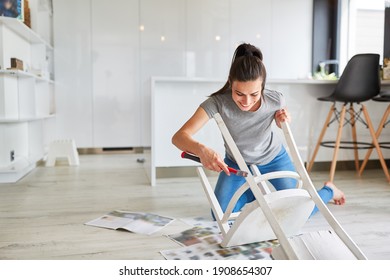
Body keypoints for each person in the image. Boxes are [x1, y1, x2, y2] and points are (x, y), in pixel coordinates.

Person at [172, 43, 345, 218]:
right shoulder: (217, 103)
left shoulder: (275, 99)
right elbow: (179, 137)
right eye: (239, 93)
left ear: (262, 86)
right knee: (220, 214)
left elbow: (284, 119)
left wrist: (284, 120)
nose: (246, 101)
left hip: (274, 158)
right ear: (231, 83)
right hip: (236, 163)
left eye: (254, 94)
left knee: (299, 212)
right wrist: (202, 150)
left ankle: (329, 190)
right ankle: (258, 194)